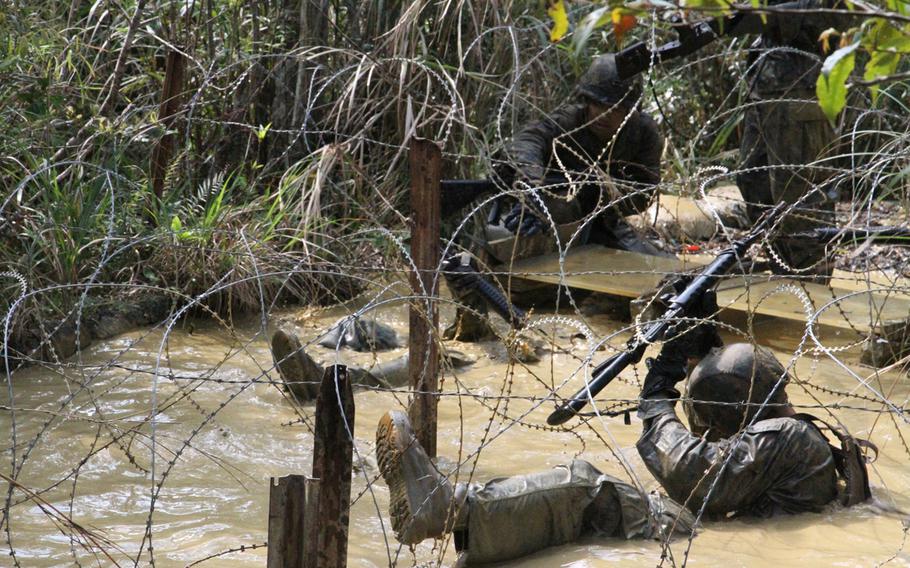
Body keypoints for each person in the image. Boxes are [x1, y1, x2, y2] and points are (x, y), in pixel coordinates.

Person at [376, 326, 872, 564]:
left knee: (588, 489)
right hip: (707, 529)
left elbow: (697, 475)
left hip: (695, 533)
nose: (706, 432)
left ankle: (446, 510)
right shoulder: (793, 436)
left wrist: (656, 402)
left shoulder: (788, 435)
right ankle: (477, 536)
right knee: (592, 501)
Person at [445, 53, 667, 341]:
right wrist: (534, 185)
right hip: (544, 213)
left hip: (601, 222)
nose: (601, 113)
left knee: (662, 275)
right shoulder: (568, 121)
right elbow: (525, 141)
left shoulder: (644, 134)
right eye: (596, 103)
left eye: (613, 108)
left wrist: (599, 188)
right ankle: (478, 310)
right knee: (482, 261)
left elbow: (643, 196)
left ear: (629, 110)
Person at [720, 0, 856, 279]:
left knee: (800, 199)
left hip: (802, 88)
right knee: (753, 181)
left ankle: (810, 287)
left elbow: (829, 13)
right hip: (767, 83)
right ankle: (787, 274)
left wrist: (748, 15)